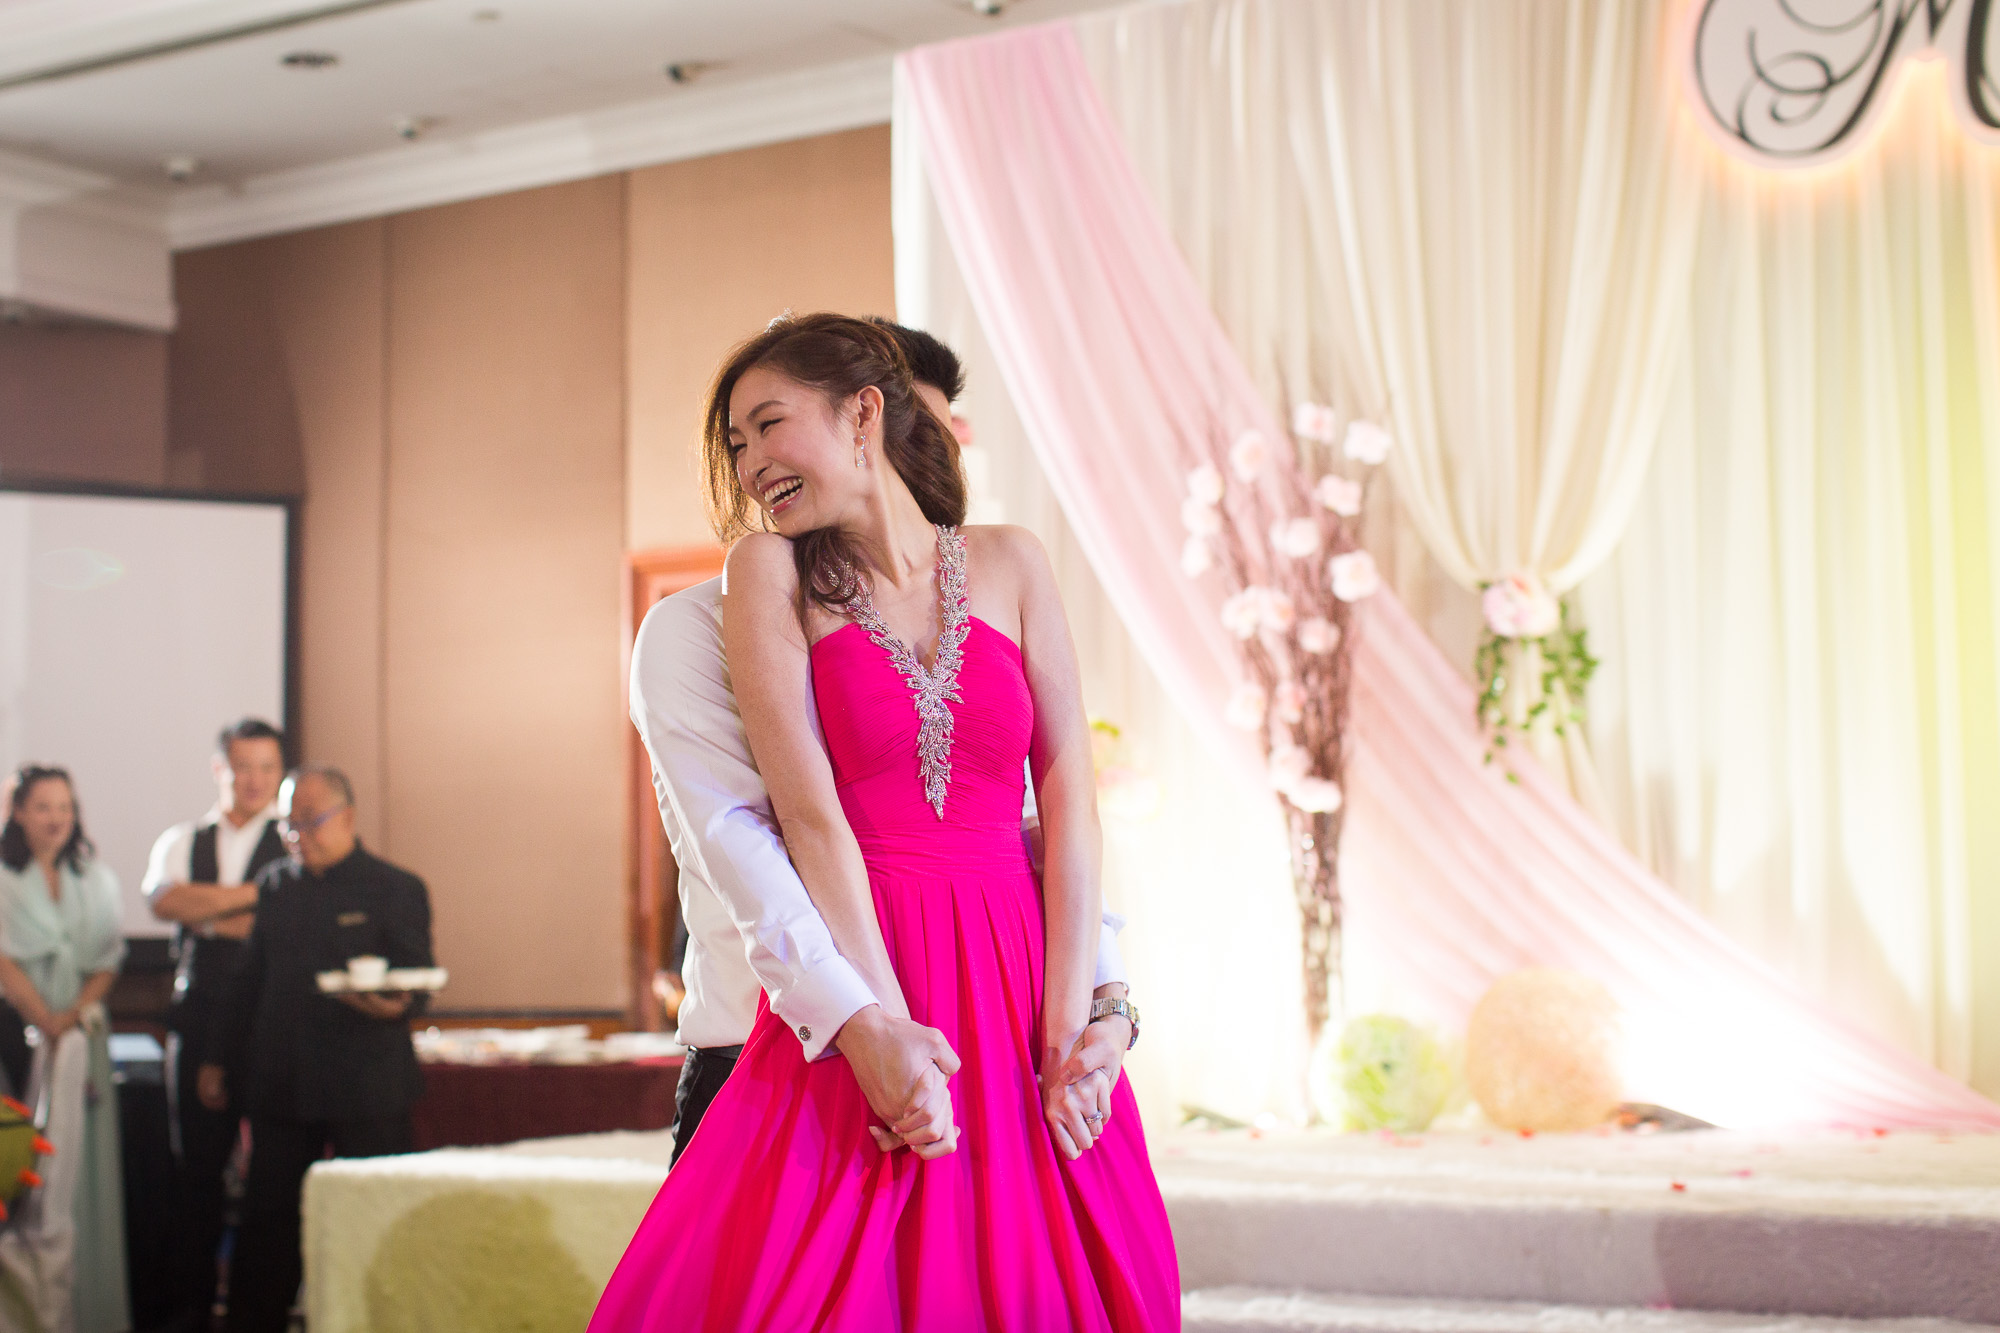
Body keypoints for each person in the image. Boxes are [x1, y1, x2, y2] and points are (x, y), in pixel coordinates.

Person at [592, 314, 1179, 1330]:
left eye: (767, 424)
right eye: (735, 442)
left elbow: (1063, 803)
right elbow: (790, 823)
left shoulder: (1013, 560)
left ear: (866, 413)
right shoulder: (758, 578)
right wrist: (878, 1022)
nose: (748, 462)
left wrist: (1084, 1016)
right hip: (849, 978)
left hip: (1018, 975)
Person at [206, 766, 433, 1333]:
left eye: (310, 823)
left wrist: (394, 1004)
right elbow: (249, 981)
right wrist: (216, 1058)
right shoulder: (275, 885)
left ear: (348, 818)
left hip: (368, 1085)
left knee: (376, 1217)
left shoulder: (396, 887)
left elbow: (418, 980)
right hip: (283, 1083)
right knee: (268, 1228)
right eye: (287, 825)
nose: (297, 837)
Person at [141, 718, 289, 1333]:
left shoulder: (291, 840)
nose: (255, 780)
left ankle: (255, 1315)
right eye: (242, 767)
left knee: (269, 1182)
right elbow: (165, 901)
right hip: (196, 1023)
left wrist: (208, 910)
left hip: (268, 1029)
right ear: (219, 769)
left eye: (267, 767)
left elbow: (279, 923)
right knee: (195, 1175)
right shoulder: (183, 838)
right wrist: (254, 897)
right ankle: (191, 1312)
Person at [0, 765, 132, 1333]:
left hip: (81, 1036)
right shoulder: (4, 879)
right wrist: (44, 1020)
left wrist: (71, 1016)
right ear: (18, 813)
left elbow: (107, 961)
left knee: (83, 1172)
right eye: (42, 807)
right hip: (16, 1034)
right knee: (26, 1171)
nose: (55, 818)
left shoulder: (94, 879)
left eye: (64, 807)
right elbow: (4, 962)